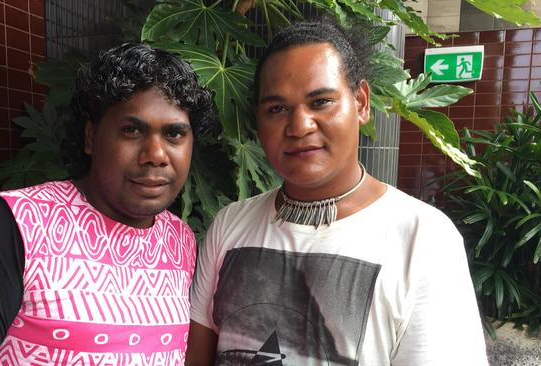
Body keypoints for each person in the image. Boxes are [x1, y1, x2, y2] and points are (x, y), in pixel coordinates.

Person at [186, 20, 488, 365]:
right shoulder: (230, 224)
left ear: (360, 102)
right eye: (277, 109)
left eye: (321, 102)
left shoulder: (423, 237)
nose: (299, 126)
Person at [0, 43, 214, 365]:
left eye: (174, 135)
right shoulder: (16, 224)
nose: (155, 155)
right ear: (90, 137)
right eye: (131, 130)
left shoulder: (180, 239)